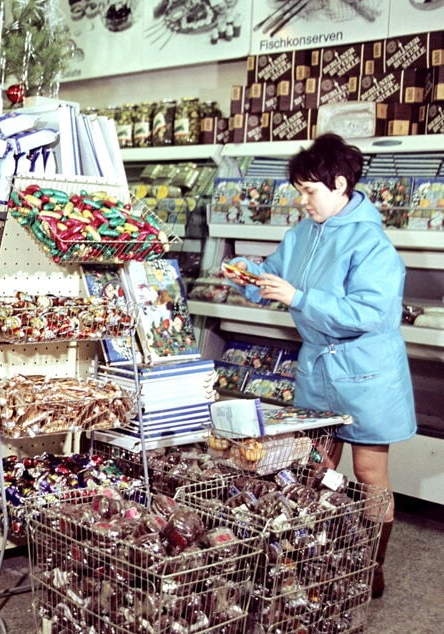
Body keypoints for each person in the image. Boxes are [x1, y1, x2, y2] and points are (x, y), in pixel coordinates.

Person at [222, 133, 416, 599]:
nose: (302, 200)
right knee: (312, 469)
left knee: (370, 474)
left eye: (309, 190)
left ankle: (371, 566)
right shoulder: (303, 232)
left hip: (368, 373)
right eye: (299, 190)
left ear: (341, 184)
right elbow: (278, 277)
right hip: (318, 371)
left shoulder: (371, 242)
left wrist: (300, 298)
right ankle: (314, 557)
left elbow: (371, 314)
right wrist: (248, 277)